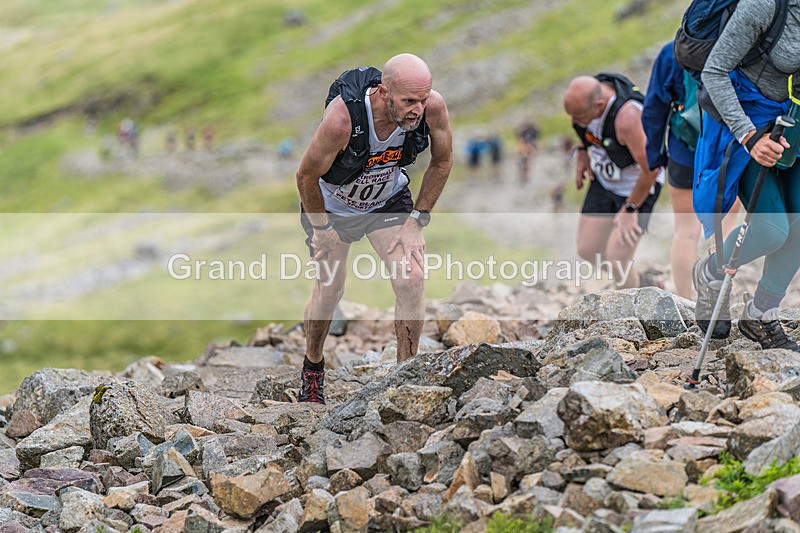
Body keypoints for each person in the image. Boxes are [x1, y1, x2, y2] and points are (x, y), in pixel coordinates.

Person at [295, 53, 453, 404]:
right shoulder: (342, 119)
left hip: (386, 200)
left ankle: (404, 374)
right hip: (332, 207)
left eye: (422, 100)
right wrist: (321, 228)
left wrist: (417, 221)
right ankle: (313, 368)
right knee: (329, 289)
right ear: (383, 92)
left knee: (411, 277)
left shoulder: (433, 108)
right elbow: (305, 176)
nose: (417, 109)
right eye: (408, 101)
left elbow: (442, 161)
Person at [692, 0, 800, 350]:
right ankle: (709, 273)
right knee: (771, 229)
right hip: (748, 126)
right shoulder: (766, 6)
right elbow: (714, 72)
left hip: (793, 129)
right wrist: (750, 137)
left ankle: (761, 314)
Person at [642, 41, 741, 299]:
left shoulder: (672, 51)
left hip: (684, 152)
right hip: (728, 149)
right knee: (726, 225)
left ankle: (685, 303)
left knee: (685, 232)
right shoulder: (739, 43)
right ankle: (719, 301)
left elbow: (653, 107)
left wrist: (656, 155)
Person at [564, 74, 665, 289]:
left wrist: (630, 208)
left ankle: (629, 317)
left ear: (599, 105)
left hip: (637, 186)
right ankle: (645, 283)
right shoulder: (588, 100)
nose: (574, 122)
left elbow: (652, 168)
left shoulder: (627, 119)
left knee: (618, 259)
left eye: (579, 116)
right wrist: (583, 150)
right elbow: (585, 128)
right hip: (604, 180)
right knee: (587, 249)